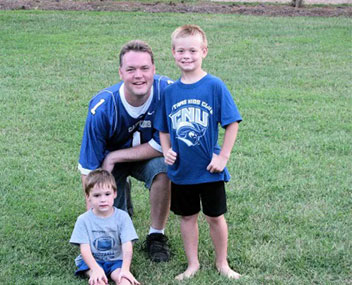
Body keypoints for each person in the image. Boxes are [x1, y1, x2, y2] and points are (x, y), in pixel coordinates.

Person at [154, 24, 242, 280]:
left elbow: (232, 123)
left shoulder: (214, 86)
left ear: (204, 51)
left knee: (215, 217)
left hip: (209, 169)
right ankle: (193, 264)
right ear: (173, 53)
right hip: (182, 171)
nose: (186, 56)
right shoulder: (170, 92)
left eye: (192, 50)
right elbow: (163, 128)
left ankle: (222, 262)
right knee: (187, 217)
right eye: (181, 50)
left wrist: (223, 156)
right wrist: (167, 150)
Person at [78, 40, 172, 262]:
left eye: (144, 68)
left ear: (154, 70)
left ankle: (156, 236)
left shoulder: (168, 92)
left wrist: (115, 155)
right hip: (111, 167)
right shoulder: (102, 108)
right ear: (121, 73)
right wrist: (94, 225)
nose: (138, 75)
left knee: (164, 169)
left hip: (145, 157)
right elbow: (89, 171)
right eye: (131, 69)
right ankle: (119, 199)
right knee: (113, 234)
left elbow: (164, 145)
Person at [70, 169, 140, 285]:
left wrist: (125, 269)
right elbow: (85, 249)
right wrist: (96, 269)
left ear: (115, 194)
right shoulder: (83, 220)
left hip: (116, 260)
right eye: (97, 195)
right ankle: (95, 272)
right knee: (98, 281)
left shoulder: (123, 217)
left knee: (124, 281)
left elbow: (127, 245)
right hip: (92, 261)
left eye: (107, 194)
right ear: (88, 197)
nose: (103, 199)